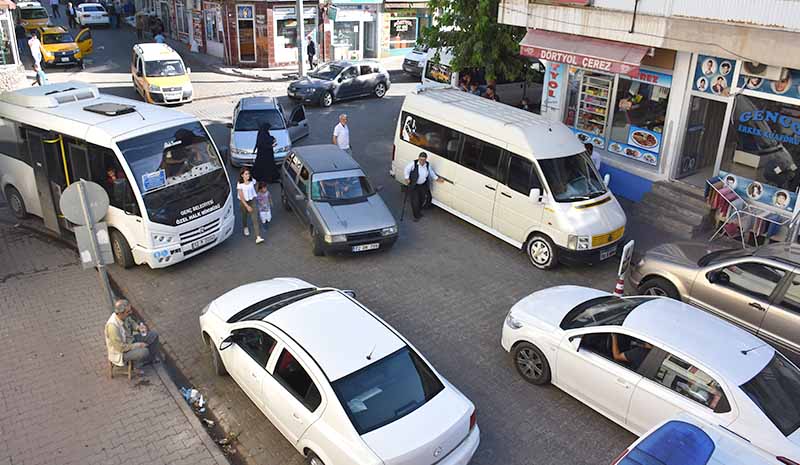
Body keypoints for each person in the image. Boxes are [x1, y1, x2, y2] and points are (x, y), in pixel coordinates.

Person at [105, 299, 160, 371]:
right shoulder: (112, 327)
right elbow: (120, 348)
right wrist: (137, 345)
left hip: (130, 340)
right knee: (144, 351)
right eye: (128, 312)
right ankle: (135, 366)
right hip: (121, 352)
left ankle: (149, 359)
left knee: (154, 335)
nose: (130, 313)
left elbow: (131, 322)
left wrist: (138, 327)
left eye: (130, 310)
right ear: (121, 313)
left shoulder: (124, 316)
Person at [404, 152, 444, 222]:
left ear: (426, 159)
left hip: (423, 185)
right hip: (415, 185)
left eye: (424, 160)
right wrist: (407, 178)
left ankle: (419, 211)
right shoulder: (413, 164)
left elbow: (431, 172)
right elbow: (406, 169)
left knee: (422, 199)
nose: (422, 161)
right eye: (421, 160)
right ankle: (416, 216)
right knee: (415, 201)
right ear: (418, 158)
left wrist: (437, 178)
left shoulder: (427, 165)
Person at [237, 167, 263, 244]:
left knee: (255, 218)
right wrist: (247, 206)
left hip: (252, 200)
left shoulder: (252, 180)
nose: (248, 175)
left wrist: (255, 192)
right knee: (244, 216)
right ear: (242, 175)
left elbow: (256, 184)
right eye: (246, 174)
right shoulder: (240, 184)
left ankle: (258, 237)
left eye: (248, 173)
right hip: (244, 202)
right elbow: (241, 196)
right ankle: (245, 227)